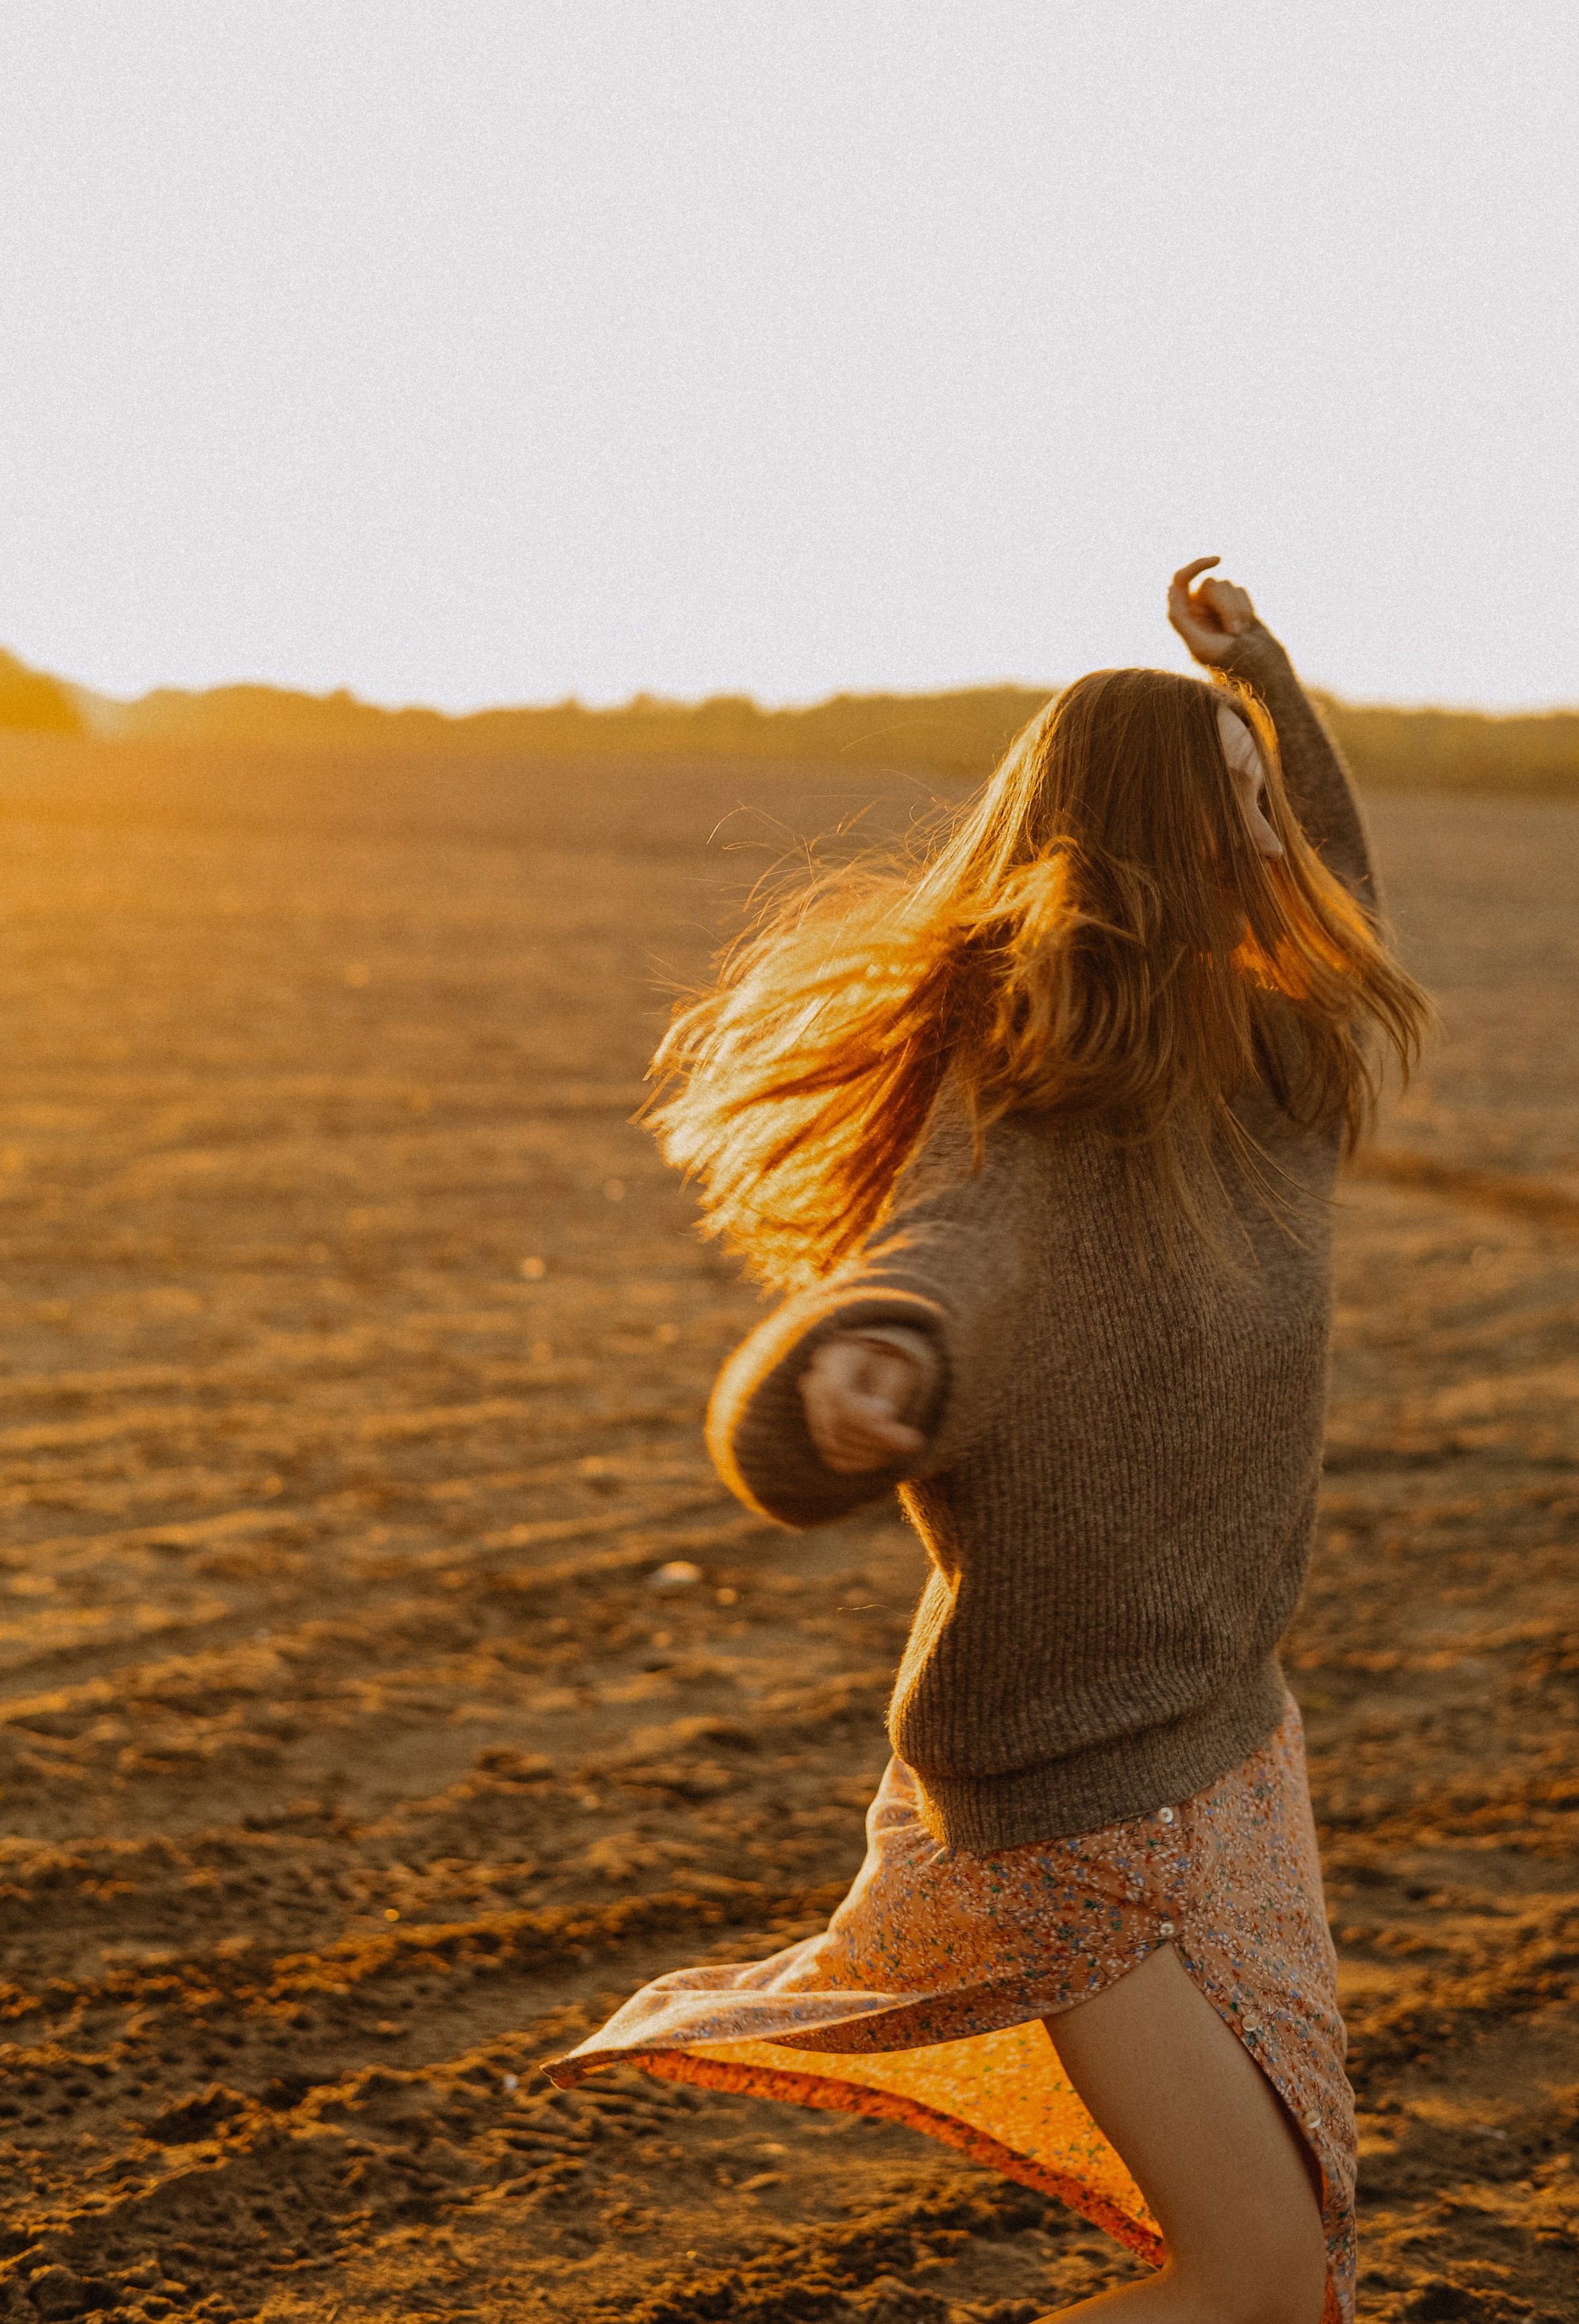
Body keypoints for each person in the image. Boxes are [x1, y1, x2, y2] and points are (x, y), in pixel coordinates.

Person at [548, 562, 1429, 2323]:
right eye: (1235, 813)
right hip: (1077, 1793)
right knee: (1255, 2274)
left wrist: (1263, 681)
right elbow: (913, 1278)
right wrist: (848, 1377)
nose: (1275, 843)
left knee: (1300, 2280)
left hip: (1230, 1746)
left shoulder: (1269, 1076)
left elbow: (1337, 871)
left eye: (1271, 805)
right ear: (1146, 860)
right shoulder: (1019, 1125)